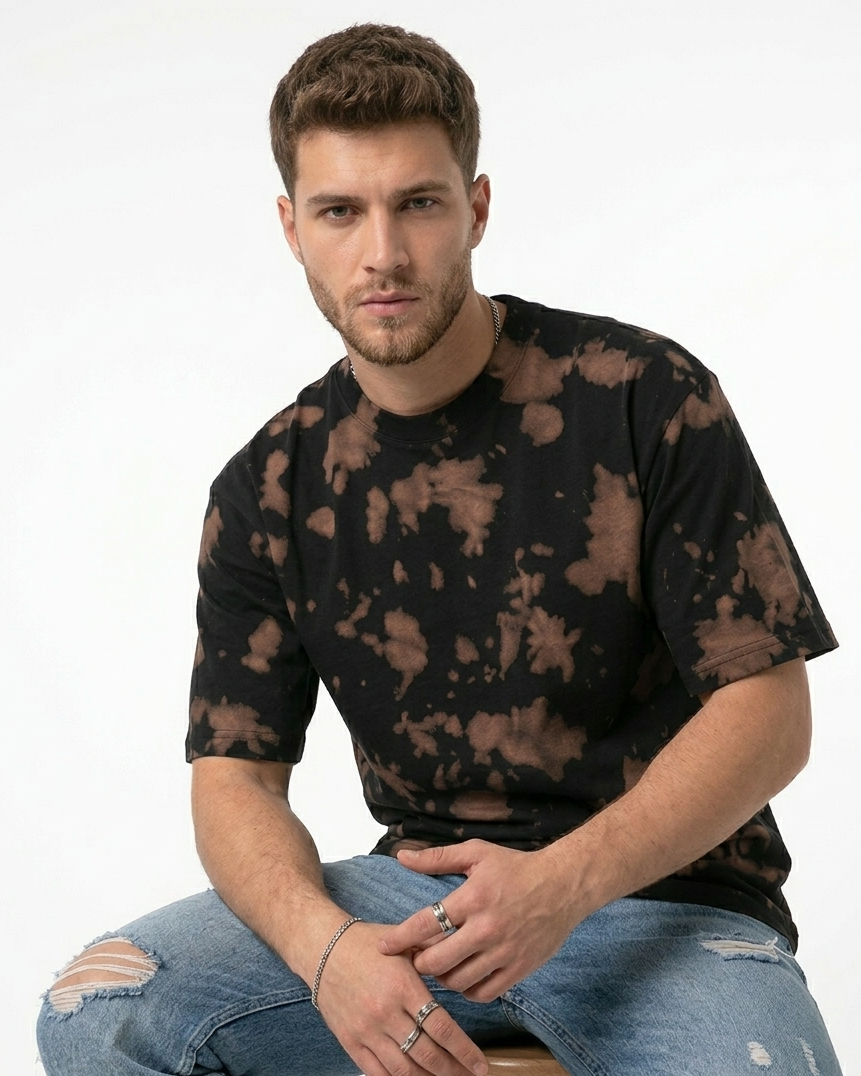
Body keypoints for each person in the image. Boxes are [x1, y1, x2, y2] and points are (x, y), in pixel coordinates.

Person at [37, 23, 842, 1076]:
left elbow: (769, 712)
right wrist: (327, 953)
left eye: (418, 202)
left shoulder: (644, 396)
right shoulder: (270, 483)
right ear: (291, 226)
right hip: (413, 909)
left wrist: (559, 881)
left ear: (478, 207)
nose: (383, 253)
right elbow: (234, 779)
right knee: (99, 1009)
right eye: (340, 211)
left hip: (666, 905)